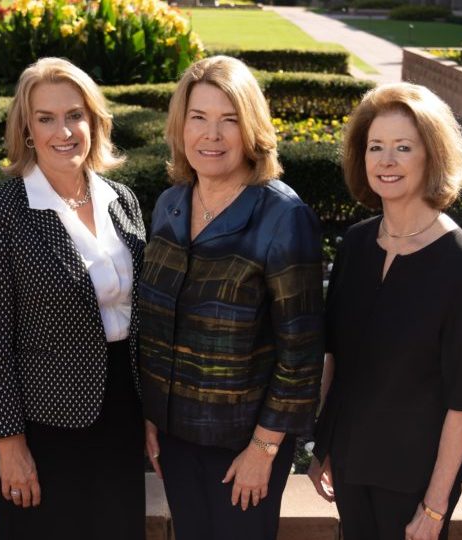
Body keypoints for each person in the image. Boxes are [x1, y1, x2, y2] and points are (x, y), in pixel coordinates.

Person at [0, 57, 146, 539]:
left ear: (94, 121)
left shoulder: (121, 200)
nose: (63, 131)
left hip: (123, 412)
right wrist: (9, 444)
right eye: (46, 118)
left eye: (75, 115)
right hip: (43, 426)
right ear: (26, 129)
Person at [138, 55, 325, 540]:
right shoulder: (170, 203)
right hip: (177, 438)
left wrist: (263, 450)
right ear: (181, 126)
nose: (212, 135)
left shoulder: (283, 216)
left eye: (229, 121)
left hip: (244, 445)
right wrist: (153, 416)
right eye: (198, 118)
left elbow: (301, 354)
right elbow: (156, 323)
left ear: (252, 129)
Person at [307, 83, 462, 540]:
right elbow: (337, 358)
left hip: (414, 478)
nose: (385, 160)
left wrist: (434, 505)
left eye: (402, 147)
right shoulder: (356, 244)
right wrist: (323, 447)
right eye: (375, 147)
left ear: (431, 156)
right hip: (351, 464)